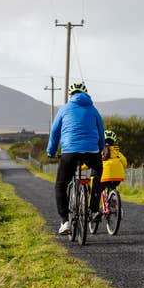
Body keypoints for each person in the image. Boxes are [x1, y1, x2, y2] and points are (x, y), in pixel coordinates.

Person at [47, 82, 105, 235]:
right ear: (86, 94)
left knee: (60, 185)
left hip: (70, 152)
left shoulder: (64, 109)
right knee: (98, 175)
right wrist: (99, 149)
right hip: (91, 152)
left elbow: (55, 132)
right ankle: (93, 210)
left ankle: (65, 221)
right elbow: (101, 130)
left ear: (70, 95)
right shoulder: (93, 110)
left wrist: (51, 151)